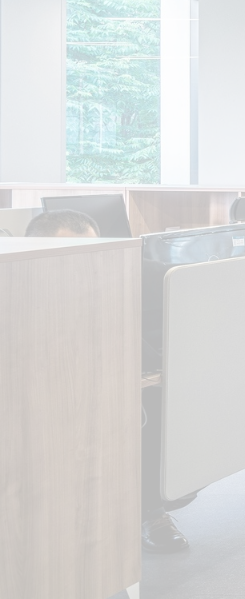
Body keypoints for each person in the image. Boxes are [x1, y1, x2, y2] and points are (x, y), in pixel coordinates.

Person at [26, 211, 194, 553]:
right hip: (36, 400)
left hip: (102, 389)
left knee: (156, 405)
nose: (83, 262)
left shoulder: (108, 287)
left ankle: (149, 510)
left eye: (93, 250)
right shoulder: (19, 292)